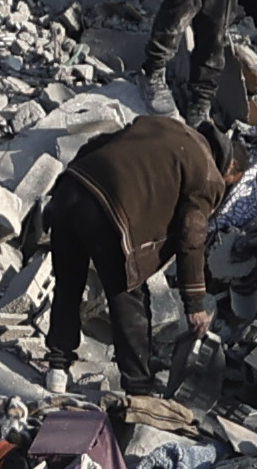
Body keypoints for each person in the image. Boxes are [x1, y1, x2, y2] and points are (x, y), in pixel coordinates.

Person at [32, 101, 229, 384]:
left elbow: (98, 143)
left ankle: (57, 369)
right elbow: (192, 233)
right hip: (110, 215)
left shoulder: (159, 125)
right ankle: (137, 387)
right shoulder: (209, 173)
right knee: (127, 295)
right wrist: (195, 303)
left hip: (71, 190)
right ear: (227, 164)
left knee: (69, 285)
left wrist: (68, 186)